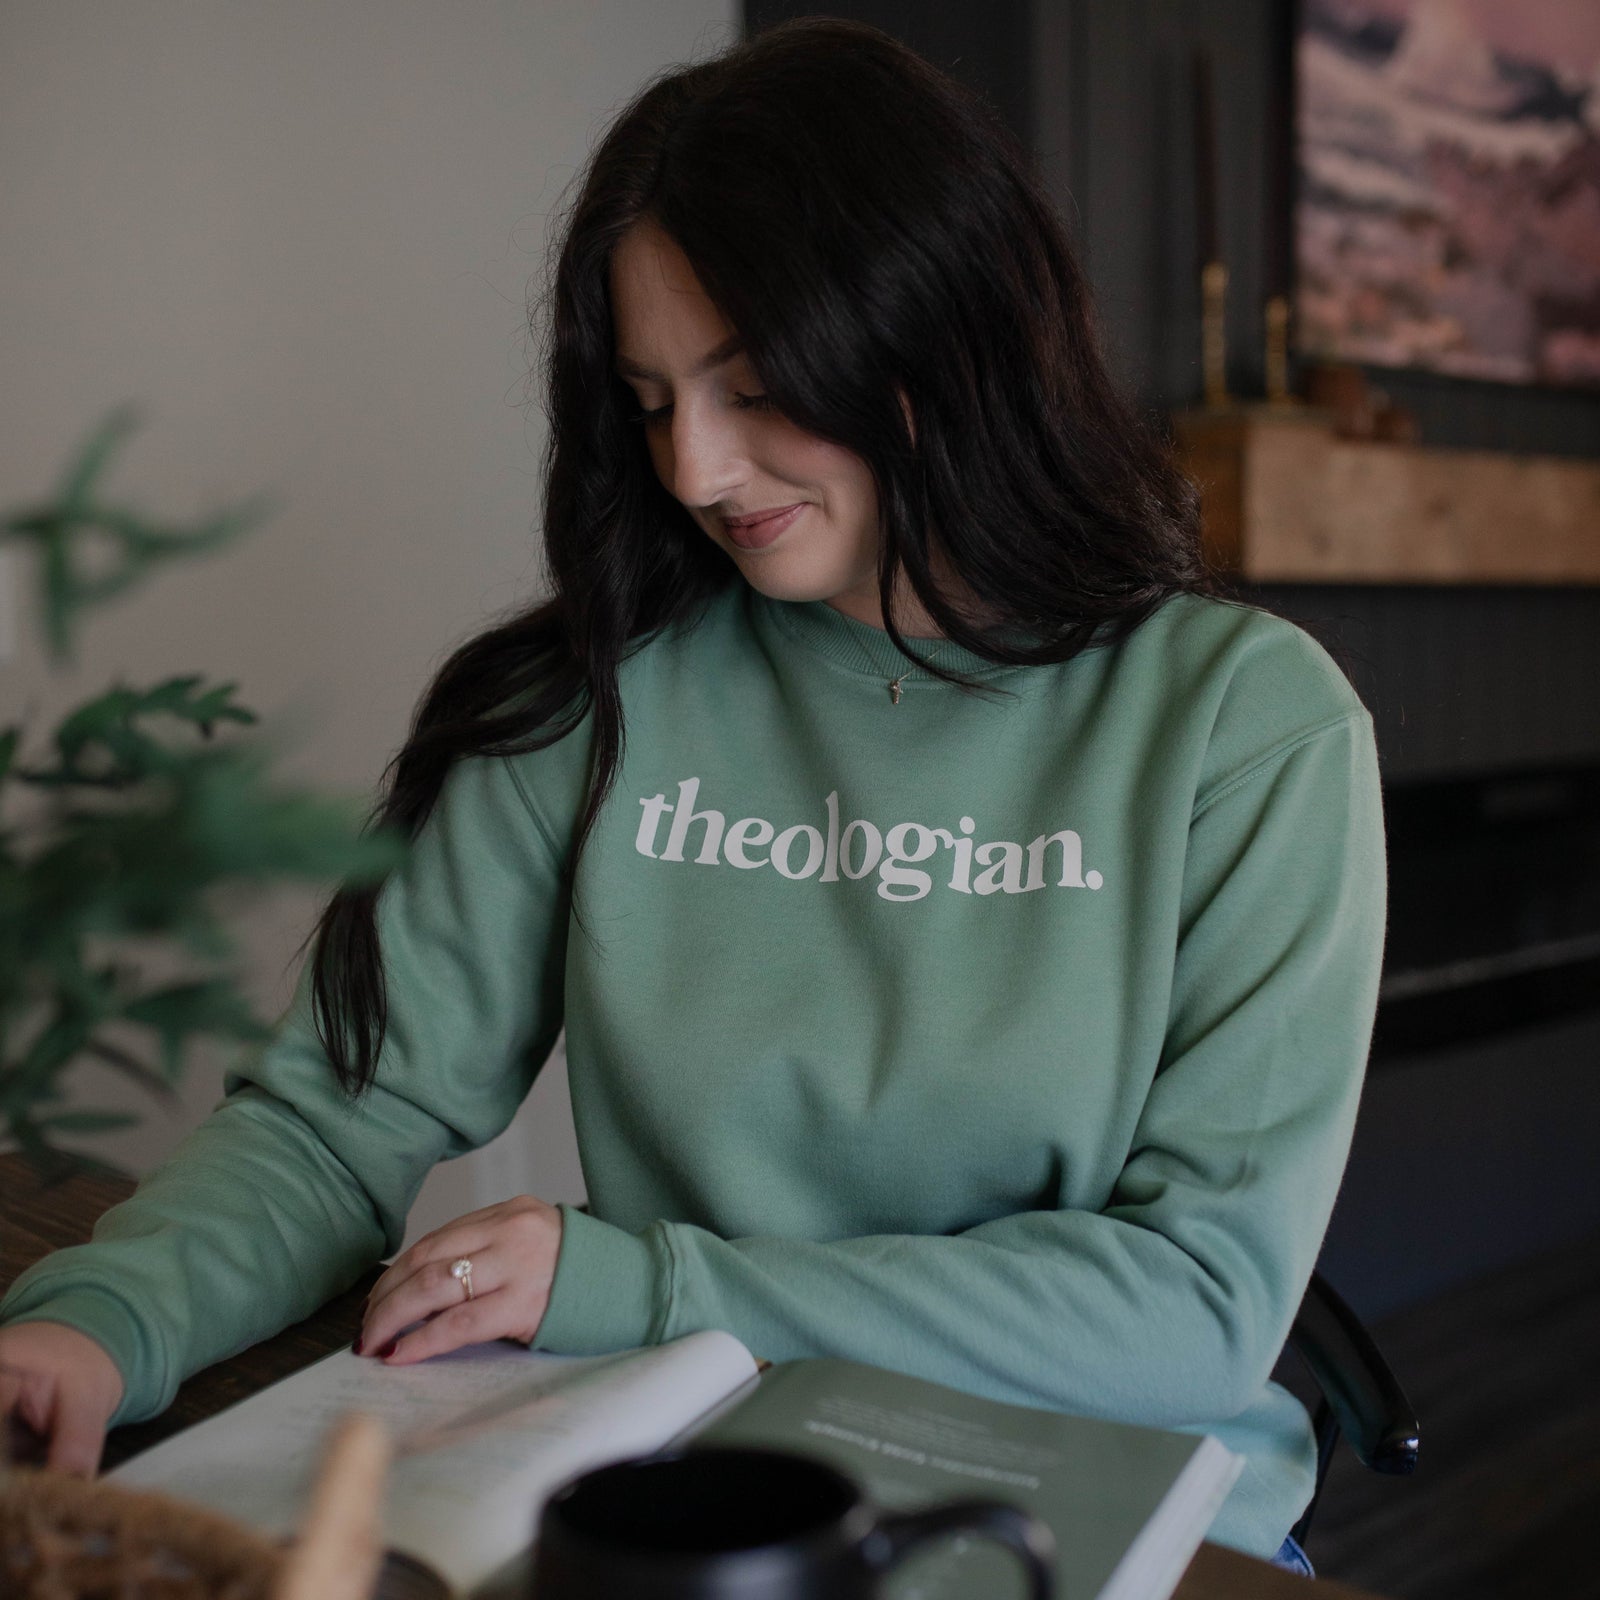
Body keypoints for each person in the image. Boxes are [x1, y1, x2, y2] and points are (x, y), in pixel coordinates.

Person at [0, 18, 1383, 1578]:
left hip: (1118, 1503)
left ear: (940, 327)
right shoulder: (595, 694)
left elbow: (1194, 1311)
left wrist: (648, 1284)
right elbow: (342, 1116)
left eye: (756, 383)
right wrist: (100, 1328)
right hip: (702, 1488)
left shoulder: (1243, 726)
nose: (699, 470)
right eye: (654, 401)